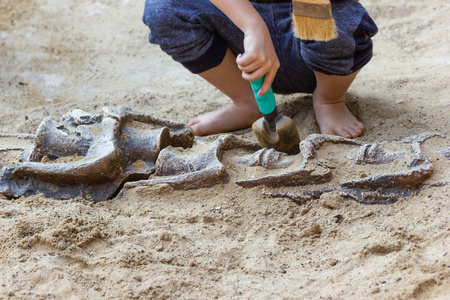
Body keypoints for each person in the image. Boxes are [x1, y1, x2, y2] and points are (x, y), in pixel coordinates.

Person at [142, 0, 378, 139]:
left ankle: (329, 101)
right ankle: (247, 103)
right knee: (163, 8)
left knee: (321, 7)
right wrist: (252, 26)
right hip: (244, 42)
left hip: (317, 55)